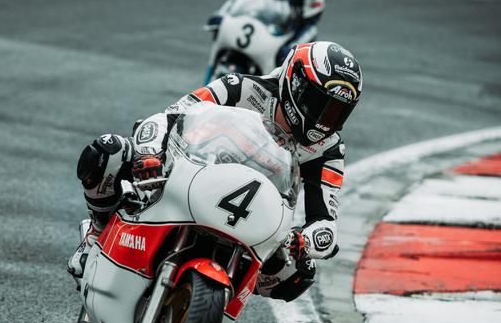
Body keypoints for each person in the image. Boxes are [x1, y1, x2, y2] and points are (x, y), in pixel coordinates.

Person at [68, 41, 362, 302]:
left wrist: (304, 241)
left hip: (253, 216)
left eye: (336, 112)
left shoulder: (328, 149)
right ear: (296, 83)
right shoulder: (241, 87)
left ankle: (217, 297)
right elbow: (170, 116)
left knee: (299, 272)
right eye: (319, 104)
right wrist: (150, 154)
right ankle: (96, 234)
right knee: (108, 151)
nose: (324, 120)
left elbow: (326, 222)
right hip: (194, 176)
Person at [207, 0, 325, 67]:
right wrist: (221, 15)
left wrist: (292, 49)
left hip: (281, 41)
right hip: (255, 28)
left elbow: (310, 29)